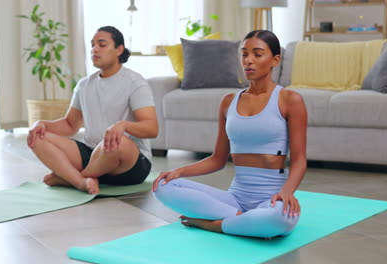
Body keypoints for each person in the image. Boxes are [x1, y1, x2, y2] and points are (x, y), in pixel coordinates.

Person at [152, 30, 307, 239]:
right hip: (234, 199)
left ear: (275, 60)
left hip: (271, 200)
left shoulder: (290, 100)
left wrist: (287, 192)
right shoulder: (228, 102)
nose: (248, 60)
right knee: (162, 186)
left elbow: (299, 161)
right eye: (244, 54)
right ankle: (245, 220)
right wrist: (179, 172)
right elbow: (217, 159)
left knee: (280, 219)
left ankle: (215, 225)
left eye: (257, 54)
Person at [27, 26, 158, 195]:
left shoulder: (135, 83)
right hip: (92, 154)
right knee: (36, 138)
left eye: (102, 45)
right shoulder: (84, 85)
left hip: (129, 164)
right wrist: (41, 124)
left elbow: (152, 129)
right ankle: (81, 182)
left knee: (118, 141)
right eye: (93, 45)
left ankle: (70, 178)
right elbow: (69, 125)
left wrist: (123, 126)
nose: (94, 49)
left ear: (119, 50)